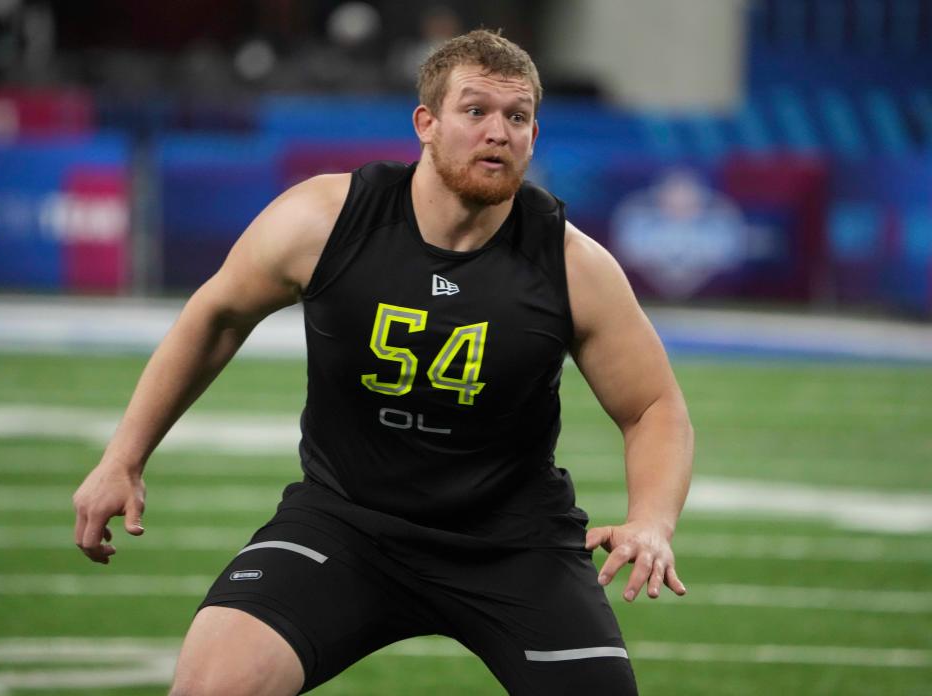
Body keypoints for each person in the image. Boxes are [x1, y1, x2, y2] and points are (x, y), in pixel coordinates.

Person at [72, 29, 693, 695]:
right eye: (476, 110)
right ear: (426, 123)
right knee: (211, 687)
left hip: (513, 543)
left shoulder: (572, 265)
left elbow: (654, 408)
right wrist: (123, 457)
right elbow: (215, 317)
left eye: (516, 117)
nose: (499, 132)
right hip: (346, 522)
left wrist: (651, 520)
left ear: (535, 134)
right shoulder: (326, 219)